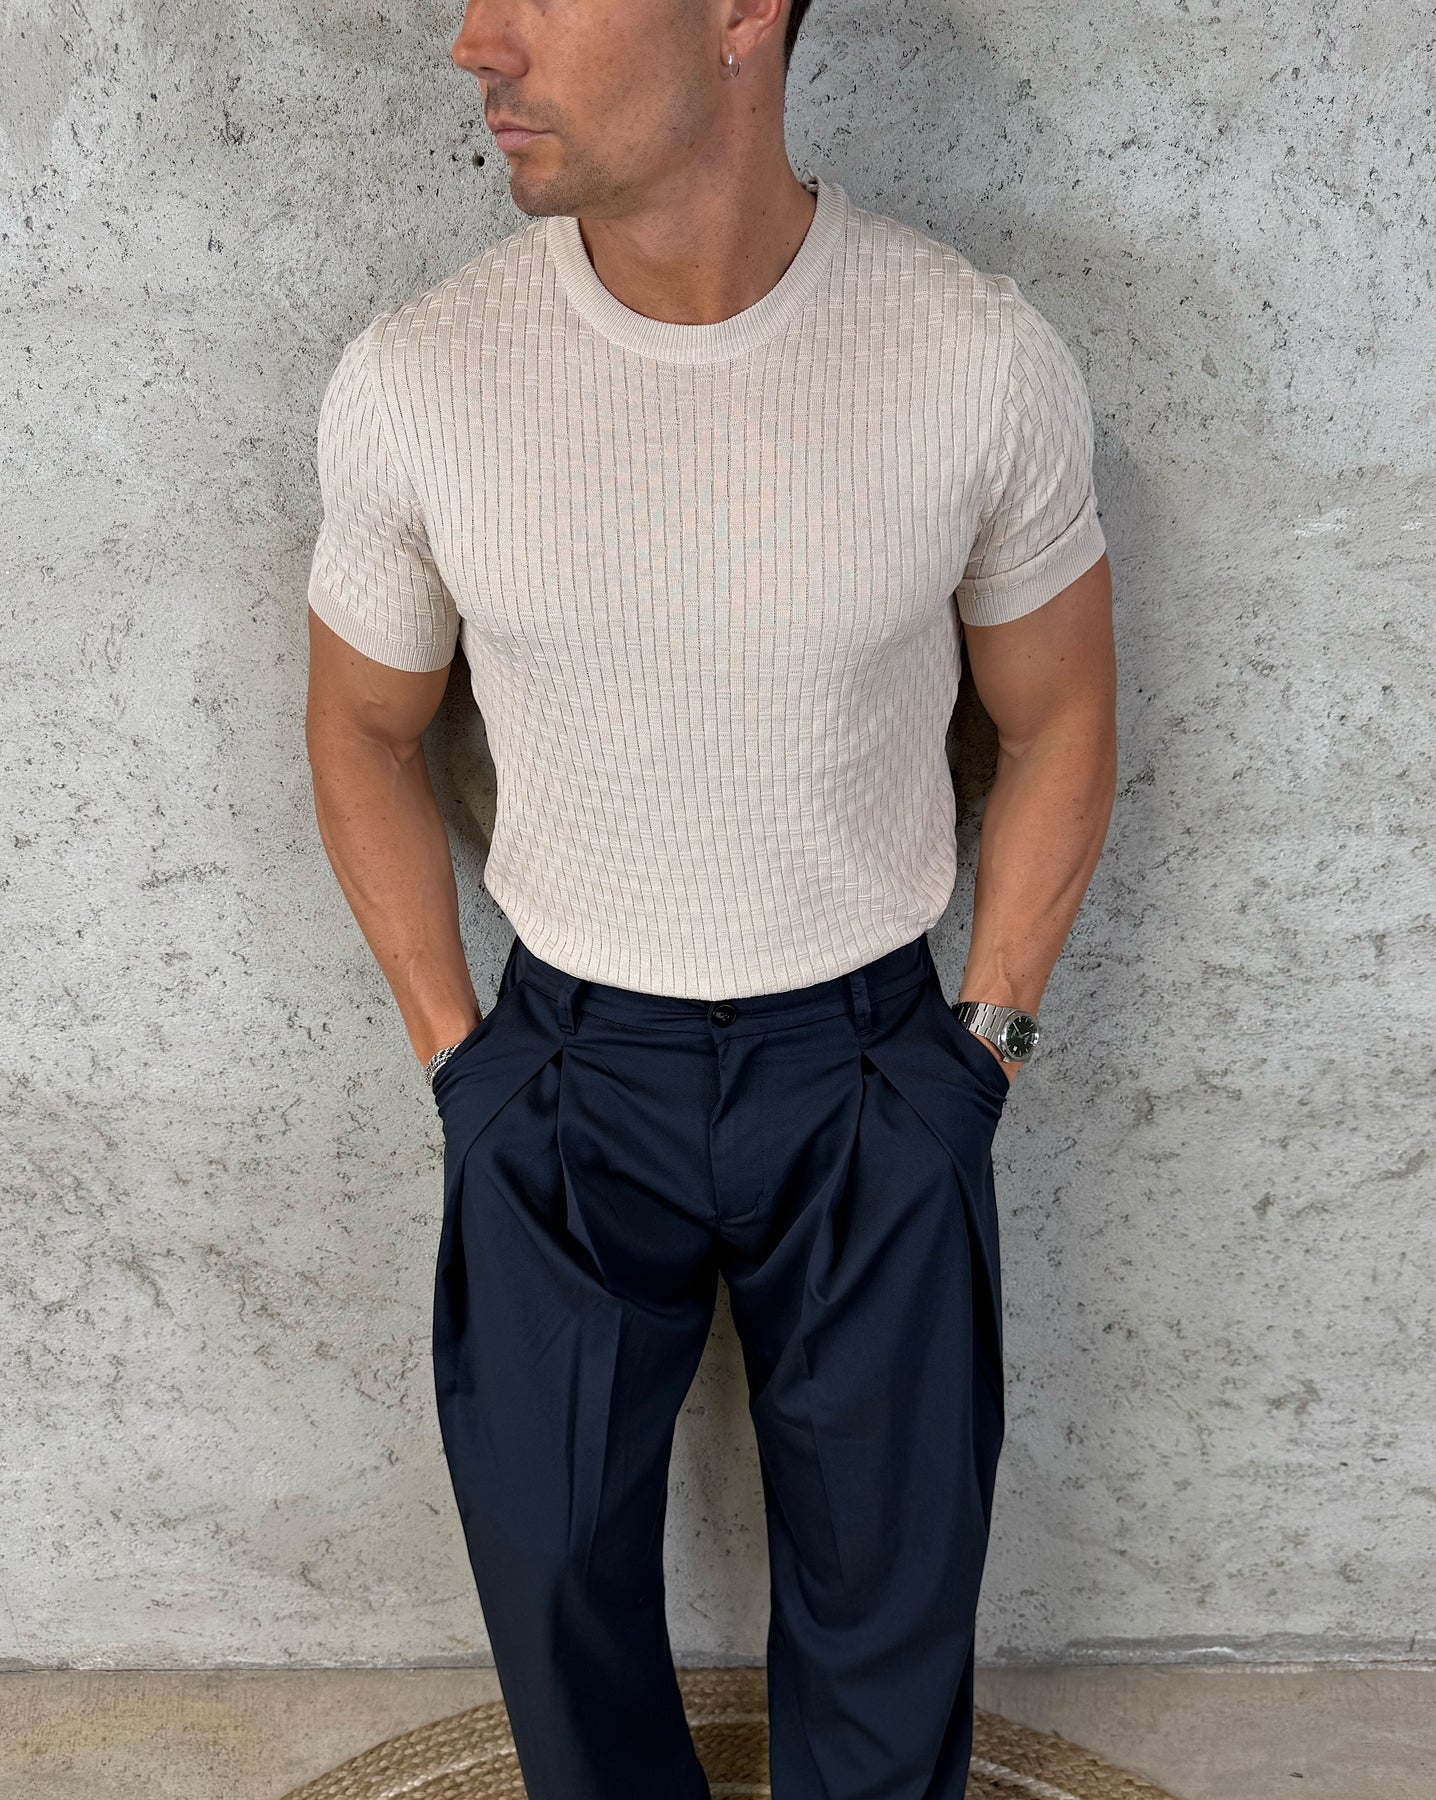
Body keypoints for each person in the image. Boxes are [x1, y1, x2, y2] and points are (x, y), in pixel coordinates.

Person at [303, 0, 1117, 1793]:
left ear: (743, 12)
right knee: (555, 1594)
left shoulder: (971, 355)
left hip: (875, 1066)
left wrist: (978, 1047)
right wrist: (464, 1063)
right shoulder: (422, 377)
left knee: (894, 1601)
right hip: (564, 1073)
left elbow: (1061, 717)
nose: (475, 43)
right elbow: (360, 729)